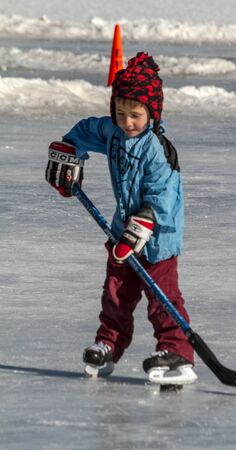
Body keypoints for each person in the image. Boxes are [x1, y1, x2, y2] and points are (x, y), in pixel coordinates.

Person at [46, 52, 197, 385]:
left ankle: (177, 351)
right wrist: (68, 151)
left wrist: (142, 225)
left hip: (158, 235)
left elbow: (162, 195)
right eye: (121, 112)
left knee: (161, 296)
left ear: (152, 113)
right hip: (122, 231)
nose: (127, 121)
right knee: (115, 292)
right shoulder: (113, 132)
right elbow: (85, 130)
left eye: (136, 115)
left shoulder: (157, 148)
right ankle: (108, 344)